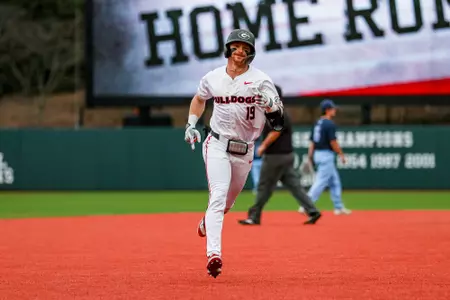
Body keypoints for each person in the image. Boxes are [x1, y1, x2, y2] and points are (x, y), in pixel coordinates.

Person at [184, 28, 284, 278]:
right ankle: (213, 255)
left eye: (245, 47)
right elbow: (199, 98)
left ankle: (208, 222)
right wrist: (191, 124)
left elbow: (279, 121)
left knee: (226, 204)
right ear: (228, 48)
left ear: (251, 53)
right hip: (217, 143)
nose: (240, 51)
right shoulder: (213, 77)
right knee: (217, 197)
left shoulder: (261, 80)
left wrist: (271, 106)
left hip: (245, 150)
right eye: (236, 46)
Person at [237, 85, 322, 226]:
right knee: (294, 186)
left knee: (264, 186)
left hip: (275, 157)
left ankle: (254, 216)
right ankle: (312, 210)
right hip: (287, 156)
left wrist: (263, 146)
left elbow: (276, 131)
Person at [299, 99, 352, 215]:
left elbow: (312, 142)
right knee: (321, 181)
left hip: (318, 153)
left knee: (334, 181)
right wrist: (341, 155)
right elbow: (333, 142)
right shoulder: (329, 124)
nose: (334, 110)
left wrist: (310, 156)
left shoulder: (317, 123)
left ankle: (338, 206)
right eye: (333, 108)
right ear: (327, 110)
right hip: (326, 155)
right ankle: (306, 204)